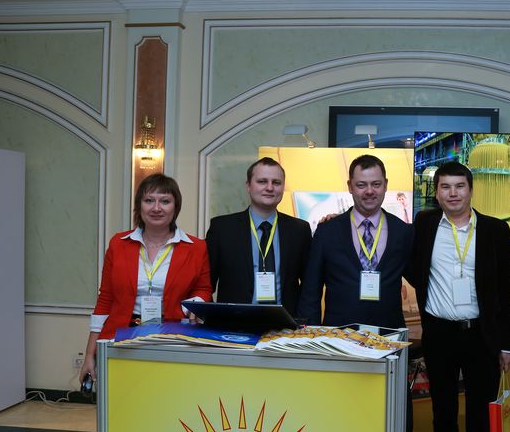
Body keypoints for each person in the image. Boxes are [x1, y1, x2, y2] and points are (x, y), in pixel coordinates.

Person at [409, 161, 510, 432]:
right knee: (443, 416)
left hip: (480, 336)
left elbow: (504, 289)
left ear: (471, 190)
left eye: (459, 186)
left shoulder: (495, 229)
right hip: (439, 334)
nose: (452, 193)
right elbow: (410, 266)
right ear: (436, 193)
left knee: (480, 421)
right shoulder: (424, 225)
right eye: (445, 187)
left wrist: (507, 344)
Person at [79, 174, 213, 383]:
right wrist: (90, 353)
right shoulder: (118, 244)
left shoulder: (196, 247)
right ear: (139, 206)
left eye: (165, 201)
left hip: (173, 338)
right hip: (122, 337)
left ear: (175, 207)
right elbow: (105, 299)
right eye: (149, 200)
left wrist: (192, 306)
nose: (156, 208)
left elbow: (204, 289)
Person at [297, 154, 412, 328]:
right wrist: (310, 333)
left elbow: (420, 278)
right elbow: (311, 291)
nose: (369, 191)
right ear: (350, 186)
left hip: (388, 333)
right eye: (361, 185)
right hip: (339, 335)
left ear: (386, 185)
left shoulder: (403, 231)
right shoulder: (328, 231)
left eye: (376, 184)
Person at [205, 157, 311, 314]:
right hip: (234, 323)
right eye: (262, 181)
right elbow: (205, 283)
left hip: (285, 324)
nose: (270, 188)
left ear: (283, 187)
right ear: (248, 186)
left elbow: (309, 285)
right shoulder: (222, 228)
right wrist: (211, 317)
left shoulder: (299, 230)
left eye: (276, 183)